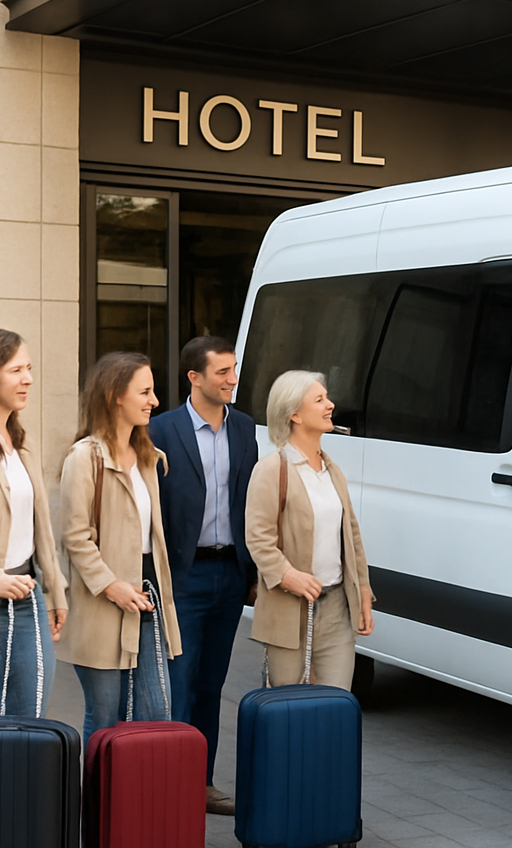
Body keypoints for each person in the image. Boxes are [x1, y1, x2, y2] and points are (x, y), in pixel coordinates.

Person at [147, 336, 258, 816]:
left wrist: (250, 572)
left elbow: (248, 501)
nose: (232, 379)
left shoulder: (246, 428)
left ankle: (203, 782)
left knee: (212, 684)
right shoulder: (160, 430)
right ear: (194, 377)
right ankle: (170, 780)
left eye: (234, 369)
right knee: (179, 681)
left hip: (230, 574)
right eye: (222, 372)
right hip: (182, 577)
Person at [58, 352, 182, 746]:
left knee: (156, 713)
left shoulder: (148, 458)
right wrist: (111, 586)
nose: (155, 401)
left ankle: (138, 804)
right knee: (106, 714)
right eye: (144, 391)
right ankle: (97, 806)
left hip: (147, 598)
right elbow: (76, 537)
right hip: (103, 603)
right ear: (115, 395)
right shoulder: (85, 458)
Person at [245, 370, 374, 691]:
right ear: (295, 414)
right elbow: (258, 539)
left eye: (326, 398)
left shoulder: (333, 470)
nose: (330, 405)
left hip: (336, 610)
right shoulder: (272, 469)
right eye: (319, 399)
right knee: (289, 710)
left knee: (336, 706)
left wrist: (364, 596)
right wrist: (288, 576)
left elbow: (352, 538)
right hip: (289, 610)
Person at [0, 328, 68, 718]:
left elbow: (41, 534)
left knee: (28, 716)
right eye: (16, 370)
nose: (28, 379)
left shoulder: (21, 445)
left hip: (27, 594)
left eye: (29, 368)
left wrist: (56, 593)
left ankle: (16, 782)